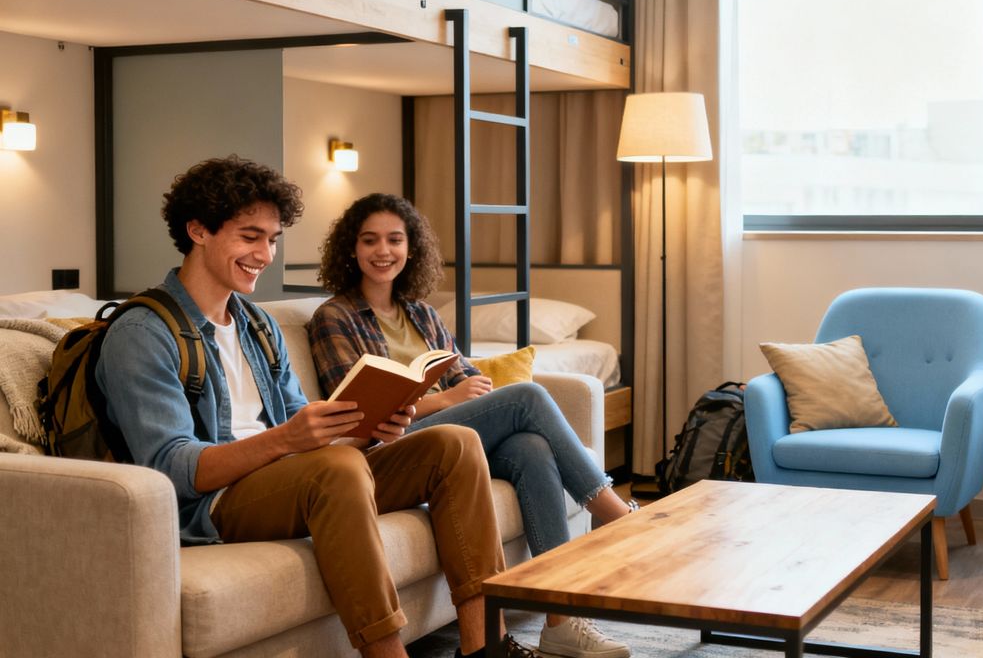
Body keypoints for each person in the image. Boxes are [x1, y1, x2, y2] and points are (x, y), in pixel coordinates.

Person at [95, 156, 531, 658]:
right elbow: (171, 468)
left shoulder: (257, 325)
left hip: (293, 477)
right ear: (198, 231)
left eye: (273, 239)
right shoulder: (143, 332)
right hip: (214, 504)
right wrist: (288, 439)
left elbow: (311, 434)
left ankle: (485, 647)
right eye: (250, 237)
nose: (265, 254)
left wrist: (371, 429)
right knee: (336, 469)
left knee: (454, 443)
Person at [307, 193, 636, 658]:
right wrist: (445, 399)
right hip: (387, 449)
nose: (383, 251)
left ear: (411, 248)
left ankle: (561, 619)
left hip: (453, 441)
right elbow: (357, 412)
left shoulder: (422, 314)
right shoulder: (334, 317)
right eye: (370, 240)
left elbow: (467, 377)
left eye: (395, 240)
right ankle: (616, 518)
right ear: (351, 248)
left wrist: (468, 394)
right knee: (527, 397)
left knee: (530, 448)